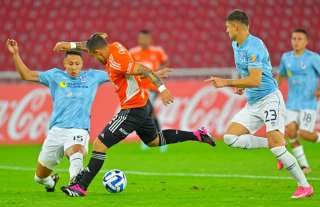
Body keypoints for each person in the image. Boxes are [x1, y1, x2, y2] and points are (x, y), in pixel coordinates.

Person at [54, 33, 215, 197]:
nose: (94, 58)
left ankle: (81, 186)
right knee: (154, 141)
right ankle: (198, 135)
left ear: (99, 53)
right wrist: (70, 45)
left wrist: (162, 89)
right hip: (143, 103)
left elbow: (144, 69)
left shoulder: (118, 62)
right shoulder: (114, 46)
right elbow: (92, 45)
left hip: (132, 109)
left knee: (99, 145)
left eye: (94, 55)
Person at [205, 10, 313, 199]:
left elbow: (255, 80)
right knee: (231, 138)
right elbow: (247, 75)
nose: (226, 31)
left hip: (270, 99)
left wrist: (227, 82)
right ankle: (270, 143)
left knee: (278, 149)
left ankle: (304, 186)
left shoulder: (255, 47)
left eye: (228, 27)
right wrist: (240, 85)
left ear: (236, 26)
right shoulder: (235, 44)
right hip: (253, 102)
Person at [6, 39, 109, 192]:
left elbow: (119, 71)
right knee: (39, 177)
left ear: (82, 64)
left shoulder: (93, 76)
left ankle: (76, 183)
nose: (74, 67)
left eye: (77, 64)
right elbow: (26, 75)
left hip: (79, 129)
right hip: (56, 131)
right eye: (70, 64)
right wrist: (15, 54)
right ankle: (50, 182)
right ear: (64, 64)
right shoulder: (54, 76)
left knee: (76, 151)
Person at [277, 28, 320, 173]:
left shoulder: (313, 58)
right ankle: (304, 166)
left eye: (299, 39)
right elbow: (281, 75)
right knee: (291, 132)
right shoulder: (286, 58)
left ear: (306, 42)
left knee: (305, 134)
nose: (296, 42)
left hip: (309, 103)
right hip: (292, 103)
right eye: (294, 39)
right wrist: (273, 90)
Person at [130, 29, 169, 151]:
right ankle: (155, 139)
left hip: (152, 88)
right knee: (148, 113)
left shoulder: (157, 51)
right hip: (138, 88)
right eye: (141, 38)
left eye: (146, 39)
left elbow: (165, 62)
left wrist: (161, 79)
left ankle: (153, 139)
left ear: (150, 40)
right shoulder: (133, 52)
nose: (143, 41)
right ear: (138, 39)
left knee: (147, 112)